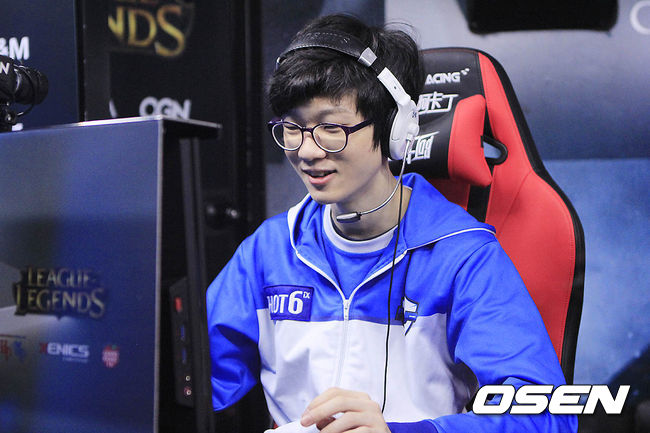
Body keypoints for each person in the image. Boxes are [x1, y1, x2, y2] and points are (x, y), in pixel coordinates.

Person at [206, 14, 577, 433]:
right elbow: (191, 386)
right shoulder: (270, 250)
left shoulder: (463, 256)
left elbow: (546, 415)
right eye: (293, 127)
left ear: (394, 129)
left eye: (331, 128)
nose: (306, 151)